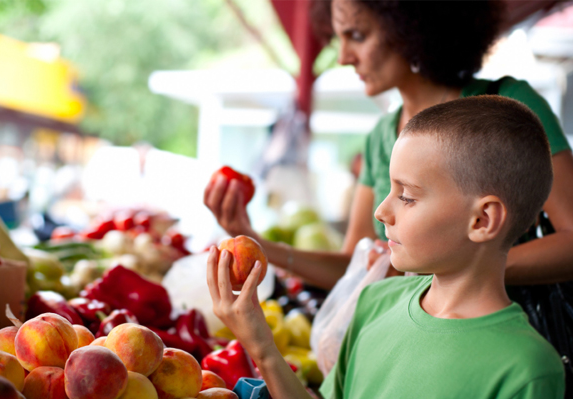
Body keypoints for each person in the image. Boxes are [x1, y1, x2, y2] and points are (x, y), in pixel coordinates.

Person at [206, 96, 565, 398]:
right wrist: (261, 346)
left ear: (482, 220)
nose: (381, 211)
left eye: (406, 196)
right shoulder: (374, 302)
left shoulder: (527, 370)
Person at [203, 0, 573, 289]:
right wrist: (257, 244)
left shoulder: (511, 107)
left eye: (358, 36)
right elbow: (356, 267)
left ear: (414, 29)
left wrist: (463, 267)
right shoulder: (382, 136)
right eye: (339, 39)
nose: (344, 56)